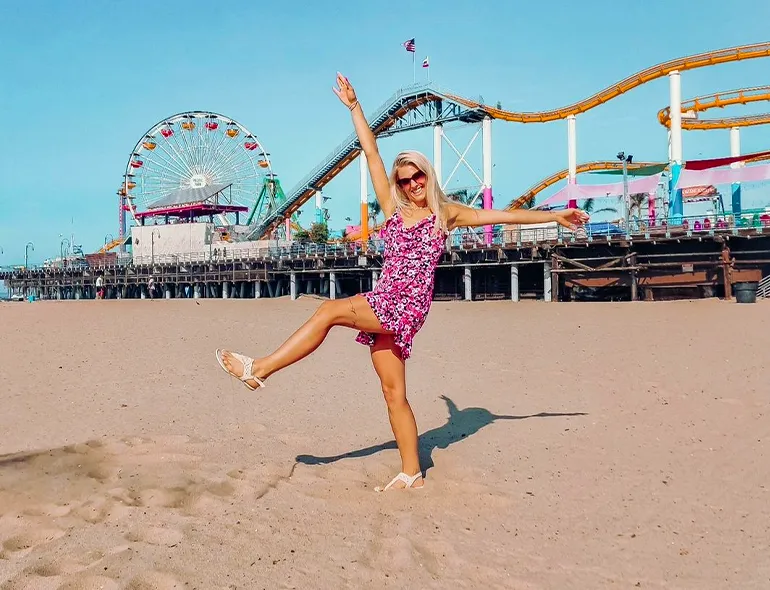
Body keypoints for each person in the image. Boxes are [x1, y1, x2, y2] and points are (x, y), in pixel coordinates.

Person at [216, 73, 589, 492]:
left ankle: (260, 368)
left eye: (418, 177)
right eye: (405, 180)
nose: (412, 184)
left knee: (329, 310)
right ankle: (412, 471)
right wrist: (356, 107)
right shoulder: (393, 209)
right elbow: (371, 152)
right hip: (385, 298)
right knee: (394, 395)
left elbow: (504, 215)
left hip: (404, 304)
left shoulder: (445, 214)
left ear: (427, 176)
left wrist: (555, 216)